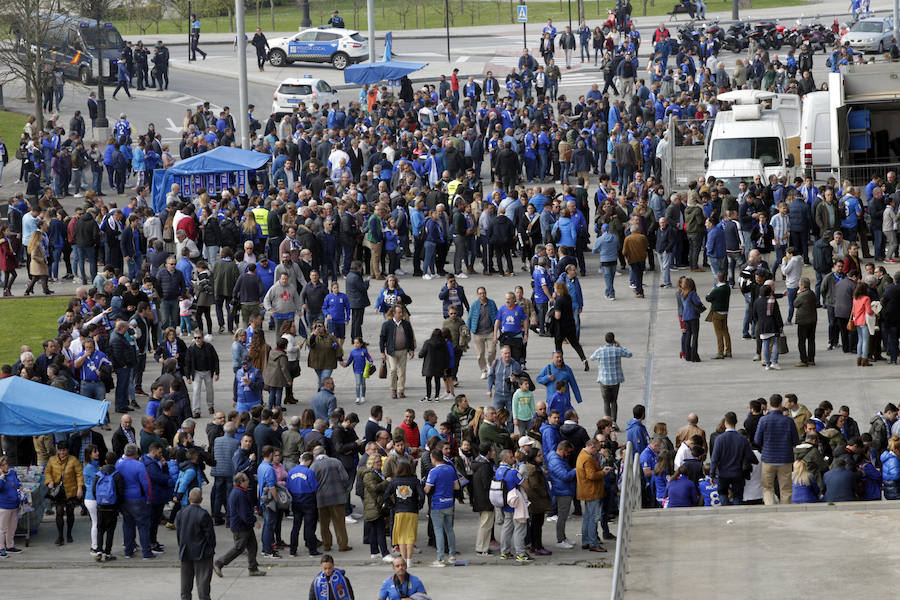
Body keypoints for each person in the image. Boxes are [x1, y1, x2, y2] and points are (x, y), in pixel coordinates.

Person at [213, 472, 266, 577]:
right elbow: (244, 513)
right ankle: (219, 563)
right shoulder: (239, 494)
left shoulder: (239, 492)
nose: (248, 481)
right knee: (238, 548)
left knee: (253, 546)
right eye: (246, 480)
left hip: (244, 526)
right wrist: (254, 521)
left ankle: (253, 568)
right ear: (241, 482)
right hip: (241, 527)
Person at [754, 394, 799, 505]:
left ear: (770, 404)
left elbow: (757, 440)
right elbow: (795, 441)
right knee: (786, 489)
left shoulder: (763, 420)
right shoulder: (788, 421)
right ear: (780, 404)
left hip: (768, 459)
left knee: (767, 488)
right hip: (785, 460)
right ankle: (786, 511)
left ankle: (771, 510)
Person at [176, 488, 216, 600]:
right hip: (202, 552)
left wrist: (182, 546)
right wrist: (210, 549)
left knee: (185, 585)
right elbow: (210, 536)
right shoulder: (203, 515)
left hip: (185, 551)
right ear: (201, 500)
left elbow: (179, 534)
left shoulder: (180, 513)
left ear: (189, 499)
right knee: (203, 584)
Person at [709, 412, 757, 505]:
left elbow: (714, 458)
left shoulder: (719, 439)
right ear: (736, 422)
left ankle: (725, 509)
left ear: (725, 422)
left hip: (723, 473)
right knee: (737, 496)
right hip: (738, 473)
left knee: (722, 493)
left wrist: (712, 474)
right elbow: (749, 456)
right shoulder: (742, 439)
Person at [384, 459, 425, 565]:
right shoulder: (415, 481)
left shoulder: (394, 481)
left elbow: (386, 495)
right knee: (410, 536)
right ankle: (410, 561)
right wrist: (419, 506)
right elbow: (422, 495)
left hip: (399, 511)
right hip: (412, 511)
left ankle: (404, 560)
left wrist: (392, 506)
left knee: (401, 537)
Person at [423, 447, 459, 566]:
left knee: (438, 531)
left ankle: (440, 558)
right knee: (450, 530)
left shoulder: (433, 472)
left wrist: (423, 486)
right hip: (449, 502)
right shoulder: (450, 469)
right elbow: (457, 487)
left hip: (437, 504)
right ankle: (452, 555)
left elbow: (427, 489)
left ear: (433, 458)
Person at [45, 440, 84, 545]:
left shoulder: (73, 460)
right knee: (59, 513)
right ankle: (60, 536)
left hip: (71, 490)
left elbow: (79, 474)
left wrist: (80, 488)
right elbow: (47, 472)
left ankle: (69, 533)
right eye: (60, 450)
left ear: (68, 450)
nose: (62, 452)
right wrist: (50, 481)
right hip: (58, 492)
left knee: (70, 513)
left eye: (64, 450)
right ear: (57, 450)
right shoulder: (52, 460)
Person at [589, 332, 632, 424]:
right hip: (615, 380)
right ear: (613, 339)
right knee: (614, 401)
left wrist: (599, 349)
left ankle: (607, 422)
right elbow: (629, 354)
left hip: (604, 380)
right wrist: (620, 346)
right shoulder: (617, 350)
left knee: (606, 402)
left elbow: (592, 358)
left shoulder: (600, 351)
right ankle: (614, 422)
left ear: (605, 340)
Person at [576, 439, 609, 552]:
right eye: (596, 448)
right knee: (593, 518)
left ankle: (586, 541)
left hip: (586, 490)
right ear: (591, 446)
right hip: (592, 491)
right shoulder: (588, 458)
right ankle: (593, 543)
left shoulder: (582, 455)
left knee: (587, 517)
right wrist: (603, 472)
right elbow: (591, 475)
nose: (597, 451)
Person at [379, 305, 416, 399]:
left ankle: (401, 390)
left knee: (402, 371)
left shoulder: (406, 324)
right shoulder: (387, 325)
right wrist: (382, 352)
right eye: (398, 312)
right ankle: (393, 390)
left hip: (403, 351)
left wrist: (411, 350)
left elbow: (410, 337)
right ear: (393, 313)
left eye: (401, 312)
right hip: (392, 352)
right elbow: (382, 338)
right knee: (393, 370)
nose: (400, 314)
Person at [0, 456, 22, 556]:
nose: (6, 466)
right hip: (4, 506)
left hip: (15, 504)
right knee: (2, 528)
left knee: (12, 527)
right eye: (3, 465)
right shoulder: (1, 477)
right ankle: (1, 548)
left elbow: (17, 483)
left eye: (6, 464)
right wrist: (1, 477)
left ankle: (10, 545)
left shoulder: (12, 472)